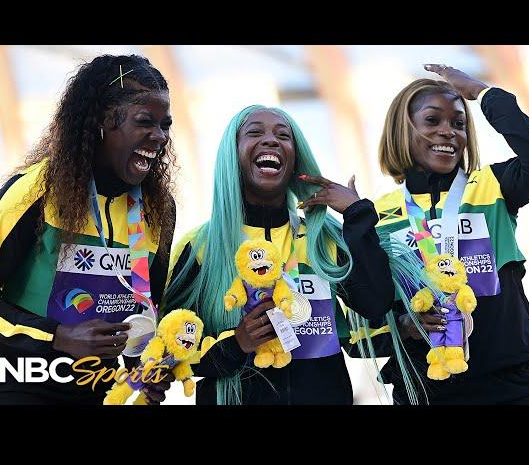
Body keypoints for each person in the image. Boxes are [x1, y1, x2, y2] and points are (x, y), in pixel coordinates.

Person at [0, 54, 177, 404]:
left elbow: (145, 313)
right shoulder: (35, 190)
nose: (159, 136)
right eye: (145, 121)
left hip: (96, 389)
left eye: (165, 125)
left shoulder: (156, 210)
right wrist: (57, 336)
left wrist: (145, 368)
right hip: (17, 384)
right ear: (103, 122)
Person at [162, 104, 395, 404]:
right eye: (255, 132)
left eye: (283, 135)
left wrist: (356, 215)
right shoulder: (202, 245)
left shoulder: (322, 237)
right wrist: (237, 344)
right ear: (232, 156)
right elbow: (171, 348)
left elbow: (376, 303)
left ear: (296, 159)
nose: (271, 140)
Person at [372, 64, 529, 404]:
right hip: (423, 388)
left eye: (458, 124)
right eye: (433, 121)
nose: (449, 132)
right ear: (404, 129)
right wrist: (405, 326)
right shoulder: (378, 215)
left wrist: (483, 94)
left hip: (507, 386)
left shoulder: (492, 186)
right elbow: (368, 318)